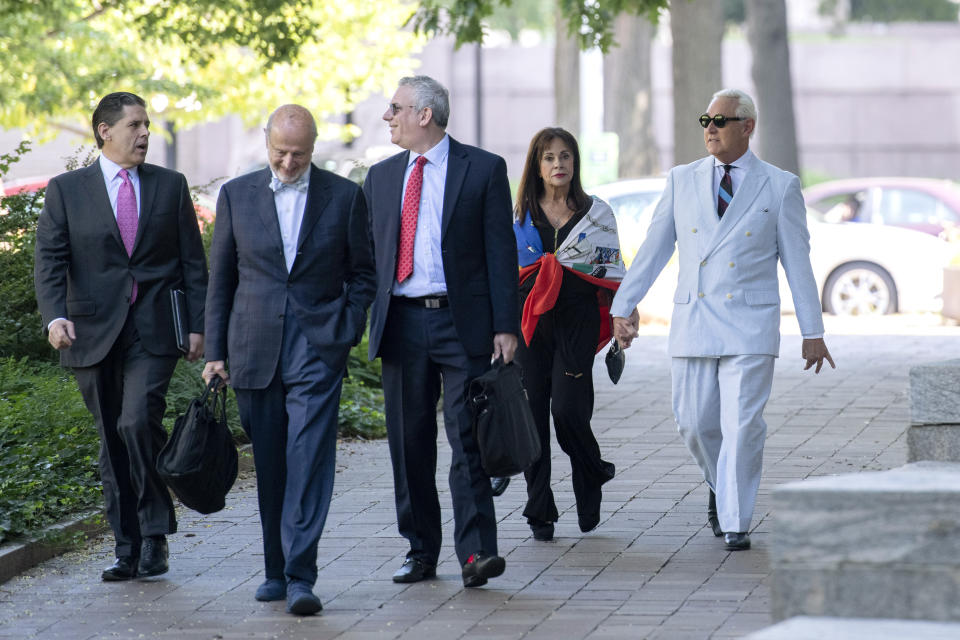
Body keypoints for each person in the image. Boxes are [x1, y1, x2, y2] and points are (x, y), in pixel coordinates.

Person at [611, 88, 835, 551]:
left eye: (720, 121)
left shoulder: (779, 185)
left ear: (747, 127)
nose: (709, 129)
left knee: (742, 424)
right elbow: (655, 249)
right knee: (693, 422)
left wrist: (813, 331)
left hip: (750, 323)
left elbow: (798, 262)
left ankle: (735, 520)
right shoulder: (682, 179)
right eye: (705, 121)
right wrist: (622, 306)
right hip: (694, 317)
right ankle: (721, 485)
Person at [202, 105, 375, 615]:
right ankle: (274, 569)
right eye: (280, 152)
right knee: (272, 462)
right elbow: (222, 281)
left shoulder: (344, 197)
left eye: (298, 154)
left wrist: (346, 327)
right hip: (253, 347)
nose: (287, 162)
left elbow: (364, 274)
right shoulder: (237, 195)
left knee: (308, 458)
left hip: (318, 347)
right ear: (267, 142)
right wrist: (215, 353)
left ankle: (302, 575)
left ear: (314, 147)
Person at [34, 91, 208, 581]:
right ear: (105, 131)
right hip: (89, 331)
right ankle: (126, 546)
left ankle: (154, 533)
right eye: (135, 125)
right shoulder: (67, 190)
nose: (145, 134)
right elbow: (50, 259)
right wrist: (54, 318)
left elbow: (193, 263)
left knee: (136, 422)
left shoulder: (170, 185)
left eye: (147, 125)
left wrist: (199, 327)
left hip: (153, 328)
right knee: (112, 439)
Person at [362, 75, 519, 588]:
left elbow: (501, 252)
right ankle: (420, 551)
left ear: (424, 114)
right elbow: (370, 257)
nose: (388, 117)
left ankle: (476, 554)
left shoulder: (483, 169)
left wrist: (505, 325)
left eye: (396, 108)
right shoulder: (382, 178)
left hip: (463, 323)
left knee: (467, 437)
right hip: (403, 322)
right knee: (409, 443)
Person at [511, 127, 625, 541]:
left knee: (569, 413)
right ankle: (539, 509)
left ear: (574, 163)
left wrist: (623, 317)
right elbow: (509, 275)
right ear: (537, 166)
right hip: (530, 326)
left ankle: (590, 474)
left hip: (575, 323)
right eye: (549, 158)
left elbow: (613, 273)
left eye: (565, 156)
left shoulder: (598, 215)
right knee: (533, 419)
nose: (558, 164)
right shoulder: (520, 217)